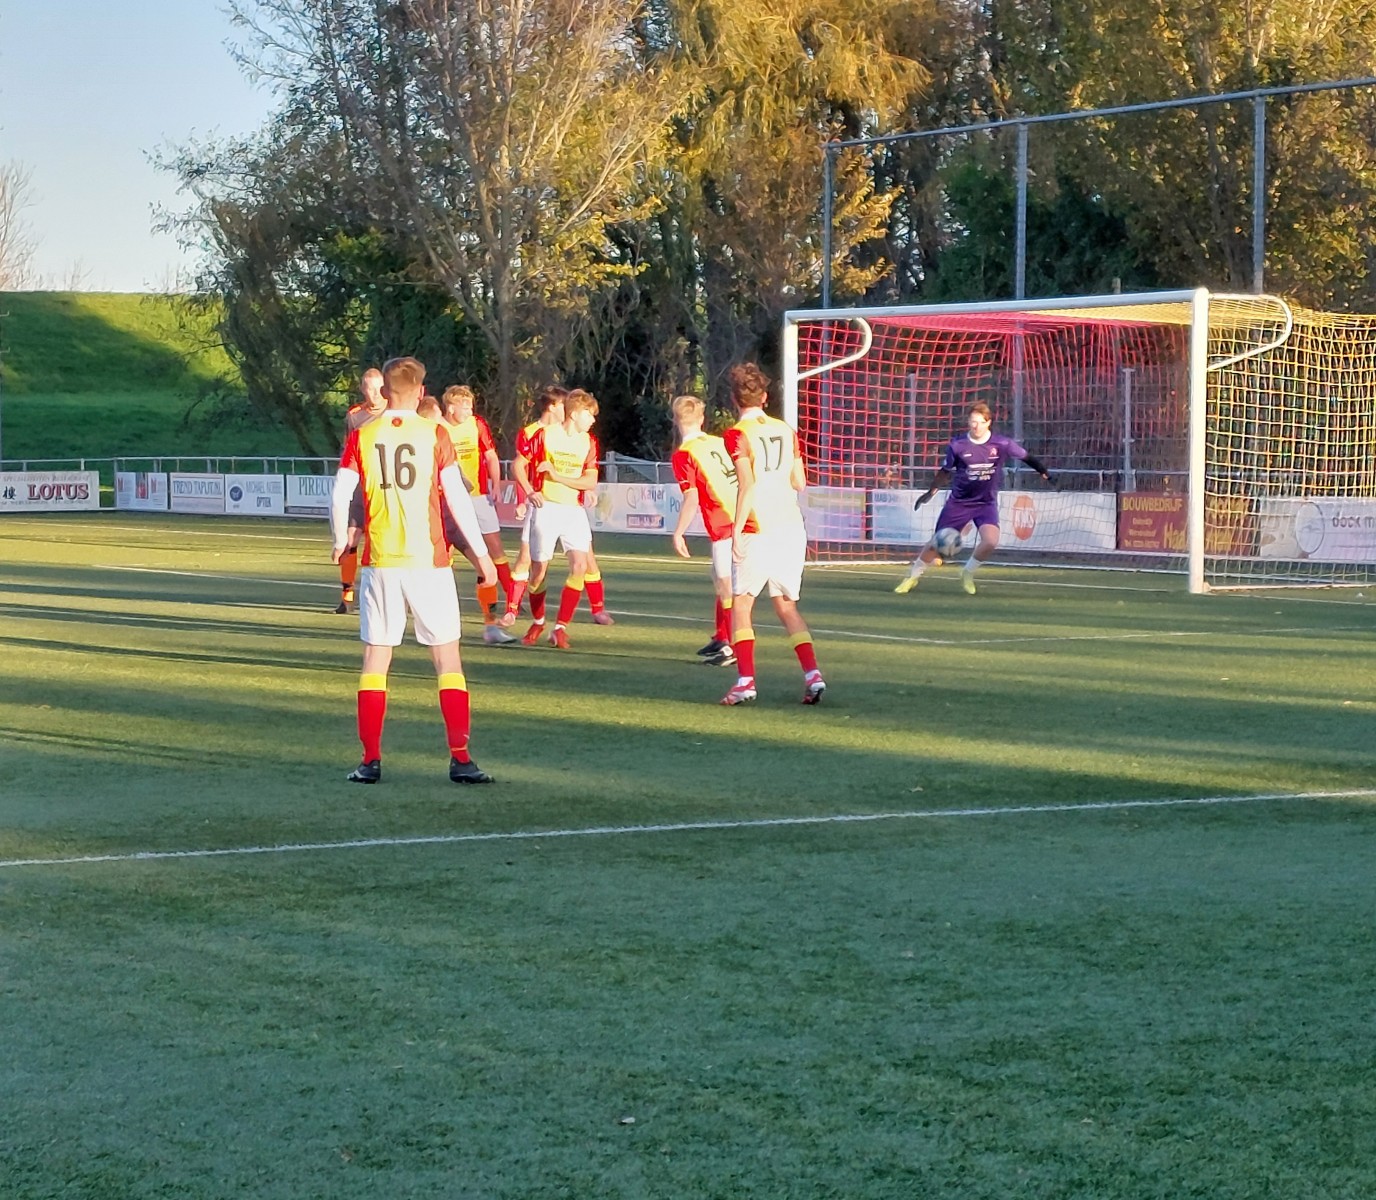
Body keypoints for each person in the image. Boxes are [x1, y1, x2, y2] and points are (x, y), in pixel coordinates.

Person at [331, 355, 498, 785]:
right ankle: (461, 759)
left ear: (384, 393)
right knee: (447, 659)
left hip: (381, 562)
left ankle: (370, 762)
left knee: (375, 660)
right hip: (430, 562)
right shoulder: (436, 433)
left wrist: (338, 537)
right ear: (422, 393)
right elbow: (457, 500)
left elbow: (339, 492)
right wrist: (480, 555)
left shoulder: (363, 434)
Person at [720, 363, 825, 706]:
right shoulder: (785, 429)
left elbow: (747, 484)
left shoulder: (737, 434)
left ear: (735, 399)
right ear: (765, 397)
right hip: (791, 527)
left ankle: (746, 681)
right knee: (785, 605)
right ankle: (813, 675)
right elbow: (800, 481)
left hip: (758, 527)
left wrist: (735, 531)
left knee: (742, 605)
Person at [894, 401, 1051, 595]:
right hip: (959, 503)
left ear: (988, 423)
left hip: (986, 503)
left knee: (991, 541)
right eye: (971, 421)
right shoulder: (958, 445)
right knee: (937, 543)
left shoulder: (1001, 444)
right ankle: (912, 577)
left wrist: (1044, 472)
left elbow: (1026, 457)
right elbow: (945, 471)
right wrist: (931, 491)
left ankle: (967, 573)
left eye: (978, 422)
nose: (974, 426)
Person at [521, 388, 600, 648]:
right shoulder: (545, 436)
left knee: (580, 565)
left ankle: (560, 627)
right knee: (538, 572)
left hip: (573, 511)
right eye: (590, 414)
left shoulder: (589, 442)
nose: (593, 420)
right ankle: (538, 621)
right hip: (547, 509)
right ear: (575, 413)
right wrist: (530, 491)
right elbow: (519, 464)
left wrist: (558, 477)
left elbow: (590, 479)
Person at [440, 385, 518, 645]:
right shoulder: (438, 428)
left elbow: (491, 456)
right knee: (443, 555)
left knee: (493, 550)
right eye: (465, 406)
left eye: (470, 406)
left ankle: (509, 602)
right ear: (450, 407)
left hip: (477, 497)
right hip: (446, 502)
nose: (469, 411)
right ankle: (439, 616)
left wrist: (495, 484)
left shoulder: (476, 425)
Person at [669, 394, 736, 667]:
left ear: (675, 420)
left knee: (726, 584)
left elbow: (692, 498)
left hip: (726, 521)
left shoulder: (684, 454)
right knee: (718, 577)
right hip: (738, 513)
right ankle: (722, 636)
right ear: (702, 418)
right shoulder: (716, 442)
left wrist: (678, 532)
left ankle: (731, 647)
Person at [500, 386, 569, 629]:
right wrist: (523, 498)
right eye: (564, 405)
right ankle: (512, 609)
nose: (567, 411)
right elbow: (522, 467)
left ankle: (595, 608)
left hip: (565, 504)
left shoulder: (568, 433)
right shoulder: (529, 433)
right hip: (538, 503)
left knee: (582, 560)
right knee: (526, 558)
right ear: (552, 406)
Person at [335, 367, 386, 613]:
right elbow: (347, 450)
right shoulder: (355, 415)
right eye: (369, 388)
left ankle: (383, 595)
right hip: (360, 488)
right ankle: (346, 597)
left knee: (382, 542)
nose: (374, 394)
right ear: (362, 389)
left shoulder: (394, 412)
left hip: (386, 488)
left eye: (378, 388)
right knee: (350, 539)